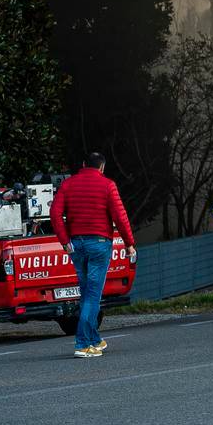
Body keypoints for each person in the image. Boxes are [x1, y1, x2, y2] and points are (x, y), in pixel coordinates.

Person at [50, 153, 136, 359]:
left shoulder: (69, 184)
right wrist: (129, 243)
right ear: (102, 168)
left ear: (82, 164)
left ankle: (94, 338)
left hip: (76, 245)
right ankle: (82, 343)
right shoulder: (108, 185)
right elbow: (120, 216)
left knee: (86, 291)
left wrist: (64, 241)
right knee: (93, 295)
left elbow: (54, 213)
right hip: (99, 244)